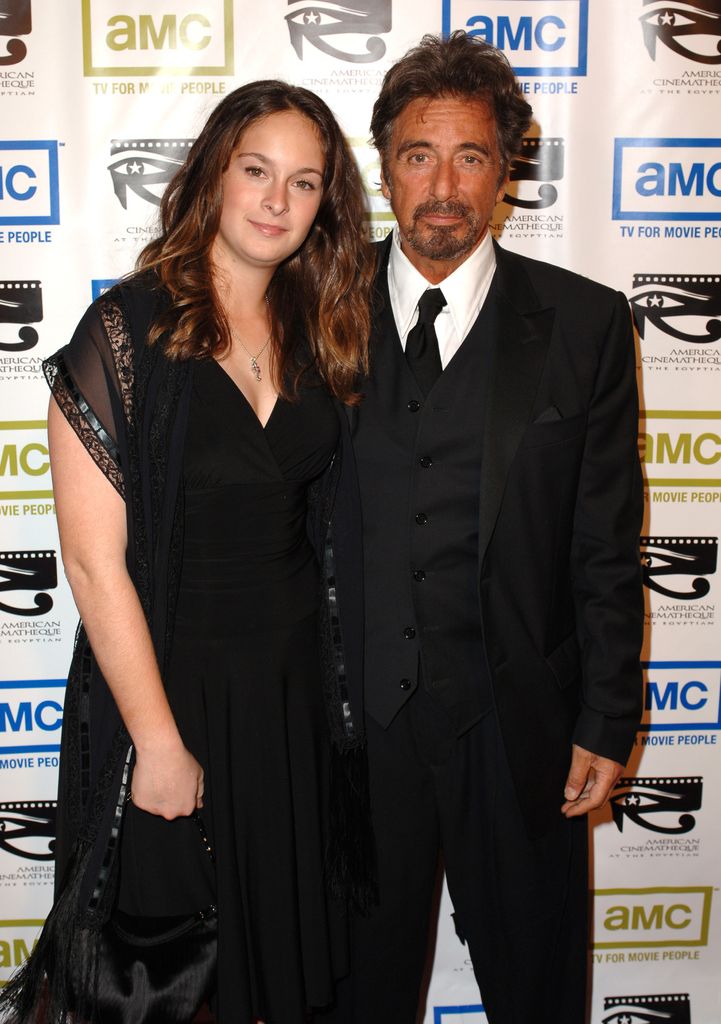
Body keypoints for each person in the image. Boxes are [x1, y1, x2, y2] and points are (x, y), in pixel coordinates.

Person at [2, 80, 374, 1024]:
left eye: (303, 182)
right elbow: (93, 565)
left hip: (292, 697)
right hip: (169, 695)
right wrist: (158, 744)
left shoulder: (320, 331)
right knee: (169, 978)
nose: (275, 201)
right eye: (256, 170)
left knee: (280, 961)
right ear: (214, 172)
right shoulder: (124, 332)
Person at [320, 32, 644, 1024]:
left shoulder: (585, 325)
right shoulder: (310, 311)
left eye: (470, 156)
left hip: (518, 731)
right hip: (354, 737)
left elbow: (602, 539)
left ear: (506, 170)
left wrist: (605, 714)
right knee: (354, 993)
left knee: (537, 988)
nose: (443, 185)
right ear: (383, 166)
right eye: (419, 155)